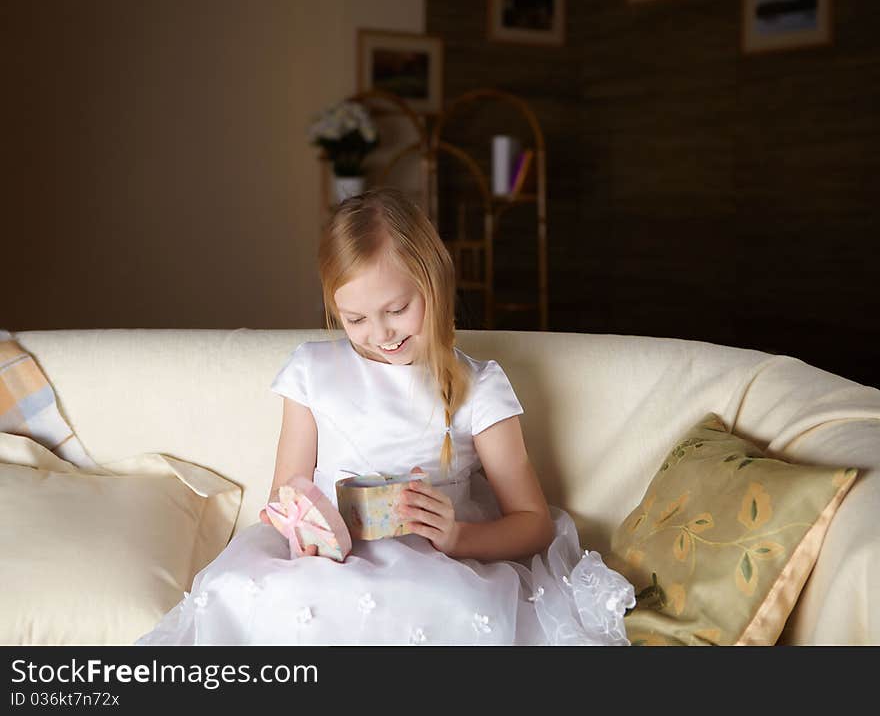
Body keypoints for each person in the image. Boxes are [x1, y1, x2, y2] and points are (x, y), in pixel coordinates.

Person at [136, 188, 634, 646]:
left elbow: (534, 524)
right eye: (355, 319)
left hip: (432, 564)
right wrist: (302, 527)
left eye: (397, 309)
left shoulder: (479, 388)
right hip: (324, 560)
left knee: (428, 611)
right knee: (241, 590)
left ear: (434, 284)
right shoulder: (312, 371)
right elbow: (288, 488)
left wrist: (460, 535)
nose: (381, 333)